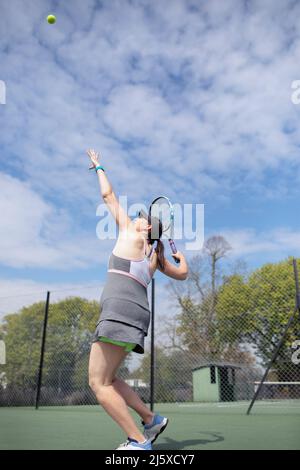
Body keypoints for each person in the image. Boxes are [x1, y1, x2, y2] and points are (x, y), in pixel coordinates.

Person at [87, 149, 188, 450]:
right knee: (111, 377)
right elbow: (182, 273)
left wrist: (98, 166)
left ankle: (139, 440)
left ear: (145, 227)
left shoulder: (130, 231)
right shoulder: (156, 257)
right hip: (137, 316)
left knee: (98, 383)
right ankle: (151, 420)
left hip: (118, 311)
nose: (137, 218)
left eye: (142, 218)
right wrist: (180, 259)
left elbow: (108, 196)